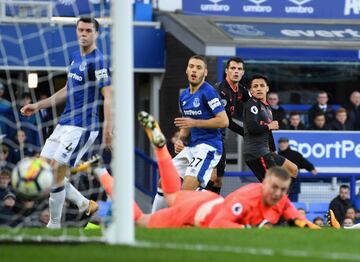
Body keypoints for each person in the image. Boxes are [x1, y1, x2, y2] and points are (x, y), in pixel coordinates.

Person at [90, 111, 318, 229]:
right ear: (264, 182)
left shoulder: (280, 199)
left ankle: (160, 148)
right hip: (194, 212)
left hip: (206, 201)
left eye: (282, 190)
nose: (278, 193)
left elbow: (297, 219)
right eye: (275, 187)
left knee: (169, 193)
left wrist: (311, 228)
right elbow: (220, 223)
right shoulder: (249, 196)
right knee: (143, 219)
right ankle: (101, 173)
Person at [20, 17, 112, 228]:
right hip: (64, 123)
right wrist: (38, 105)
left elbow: (108, 94)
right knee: (44, 170)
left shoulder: (98, 61)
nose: (84, 34)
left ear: (96, 34)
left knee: (57, 173)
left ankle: (53, 224)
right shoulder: (74, 57)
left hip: (83, 127)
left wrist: (108, 127)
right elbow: (67, 90)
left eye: (88, 30)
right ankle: (84, 204)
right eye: (81, 30)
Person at [151, 55, 228, 212]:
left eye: (198, 68)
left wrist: (195, 123)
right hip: (191, 147)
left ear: (205, 72)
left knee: (186, 190)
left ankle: (217, 207)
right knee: (163, 182)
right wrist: (180, 140)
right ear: (186, 70)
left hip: (208, 147)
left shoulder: (209, 92)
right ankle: (153, 222)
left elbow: (223, 121)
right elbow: (186, 123)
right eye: (191, 66)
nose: (194, 70)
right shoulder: (184, 96)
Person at [242, 74, 298, 184]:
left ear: (267, 88)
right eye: (255, 86)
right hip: (256, 153)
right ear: (251, 91)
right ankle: (278, 200)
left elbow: (268, 133)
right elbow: (252, 127)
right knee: (274, 184)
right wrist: (269, 126)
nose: (259, 88)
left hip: (266, 151)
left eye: (262, 85)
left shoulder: (267, 107)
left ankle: (280, 199)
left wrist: (273, 149)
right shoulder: (251, 105)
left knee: (293, 169)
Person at [206, 57, 250, 194]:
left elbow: (253, 107)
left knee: (219, 179)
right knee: (211, 177)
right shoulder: (220, 91)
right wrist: (246, 133)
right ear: (226, 71)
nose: (236, 71)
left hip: (220, 139)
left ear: (243, 72)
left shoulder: (240, 90)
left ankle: (213, 207)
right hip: (208, 138)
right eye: (233, 68)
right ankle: (200, 209)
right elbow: (227, 121)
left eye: (239, 69)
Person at [277, 137, 317, 201]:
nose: (282, 144)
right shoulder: (276, 155)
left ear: (287, 143)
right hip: (280, 186)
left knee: (293, 205)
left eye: (284, 142)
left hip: (293, 187)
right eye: (281, 143)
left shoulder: (295, 154)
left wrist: (311, 168)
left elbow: (304, 162)